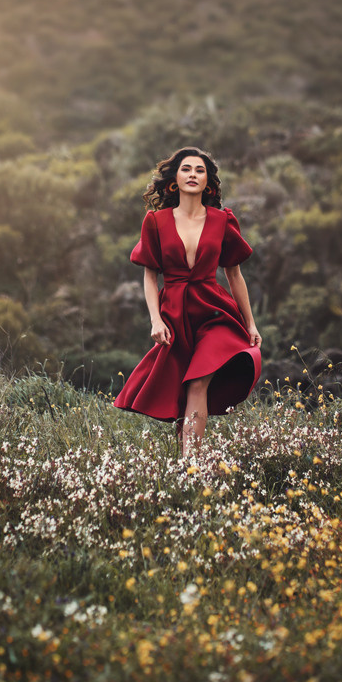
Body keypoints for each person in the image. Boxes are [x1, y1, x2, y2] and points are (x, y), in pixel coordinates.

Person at [114, 146, 262, 457]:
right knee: (182, 391)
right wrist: (155, 319)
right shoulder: (156, 222)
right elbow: (149, 275)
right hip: (174, 313)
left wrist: (250, 323)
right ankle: (186, 466)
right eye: (186, 169)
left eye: (199, 170)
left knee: (198, 383)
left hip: (214, 312)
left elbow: (234, 276)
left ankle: (193, 468)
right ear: (174, 180)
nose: (192, 174)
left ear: (208, 182)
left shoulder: (223, 221)